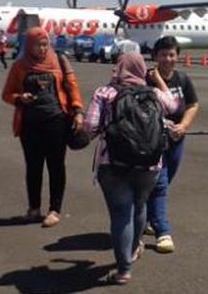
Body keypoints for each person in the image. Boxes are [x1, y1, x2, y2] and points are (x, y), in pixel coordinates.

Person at [82, 52, 177, 285]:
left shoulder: (105, 93)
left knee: (121, 214)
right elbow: (173, 105)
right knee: (140, 204)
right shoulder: (153, 94)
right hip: (149, 164)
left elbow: (90, 125)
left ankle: (123, 269)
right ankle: (134, 248)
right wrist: (159, 82)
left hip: (113, 163)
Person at [1, 27, 84, 227]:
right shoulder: (19, 66)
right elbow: (7, 94)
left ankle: (55, 210)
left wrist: (78, 110)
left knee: (56, 166)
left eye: (46, 44)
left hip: (56, 122)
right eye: (39, 44)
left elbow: (72, 86)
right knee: (33, 167)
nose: (43, 48)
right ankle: (34, 209)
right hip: (29, 126)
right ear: (29, 45)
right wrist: (20, 98)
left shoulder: (58, 61)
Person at [145, 36, 199, 254]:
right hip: (154, 140)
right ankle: (162, 231)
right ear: (155, 56)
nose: (168, 59)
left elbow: (192, 104)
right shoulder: (146, 79)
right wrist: (157, 81)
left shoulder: (182, 79)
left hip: (177, 138)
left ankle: (147, 218)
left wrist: (184, 125)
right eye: (163, 55)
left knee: (166, 179)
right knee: (160, 182)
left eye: (172, 55)